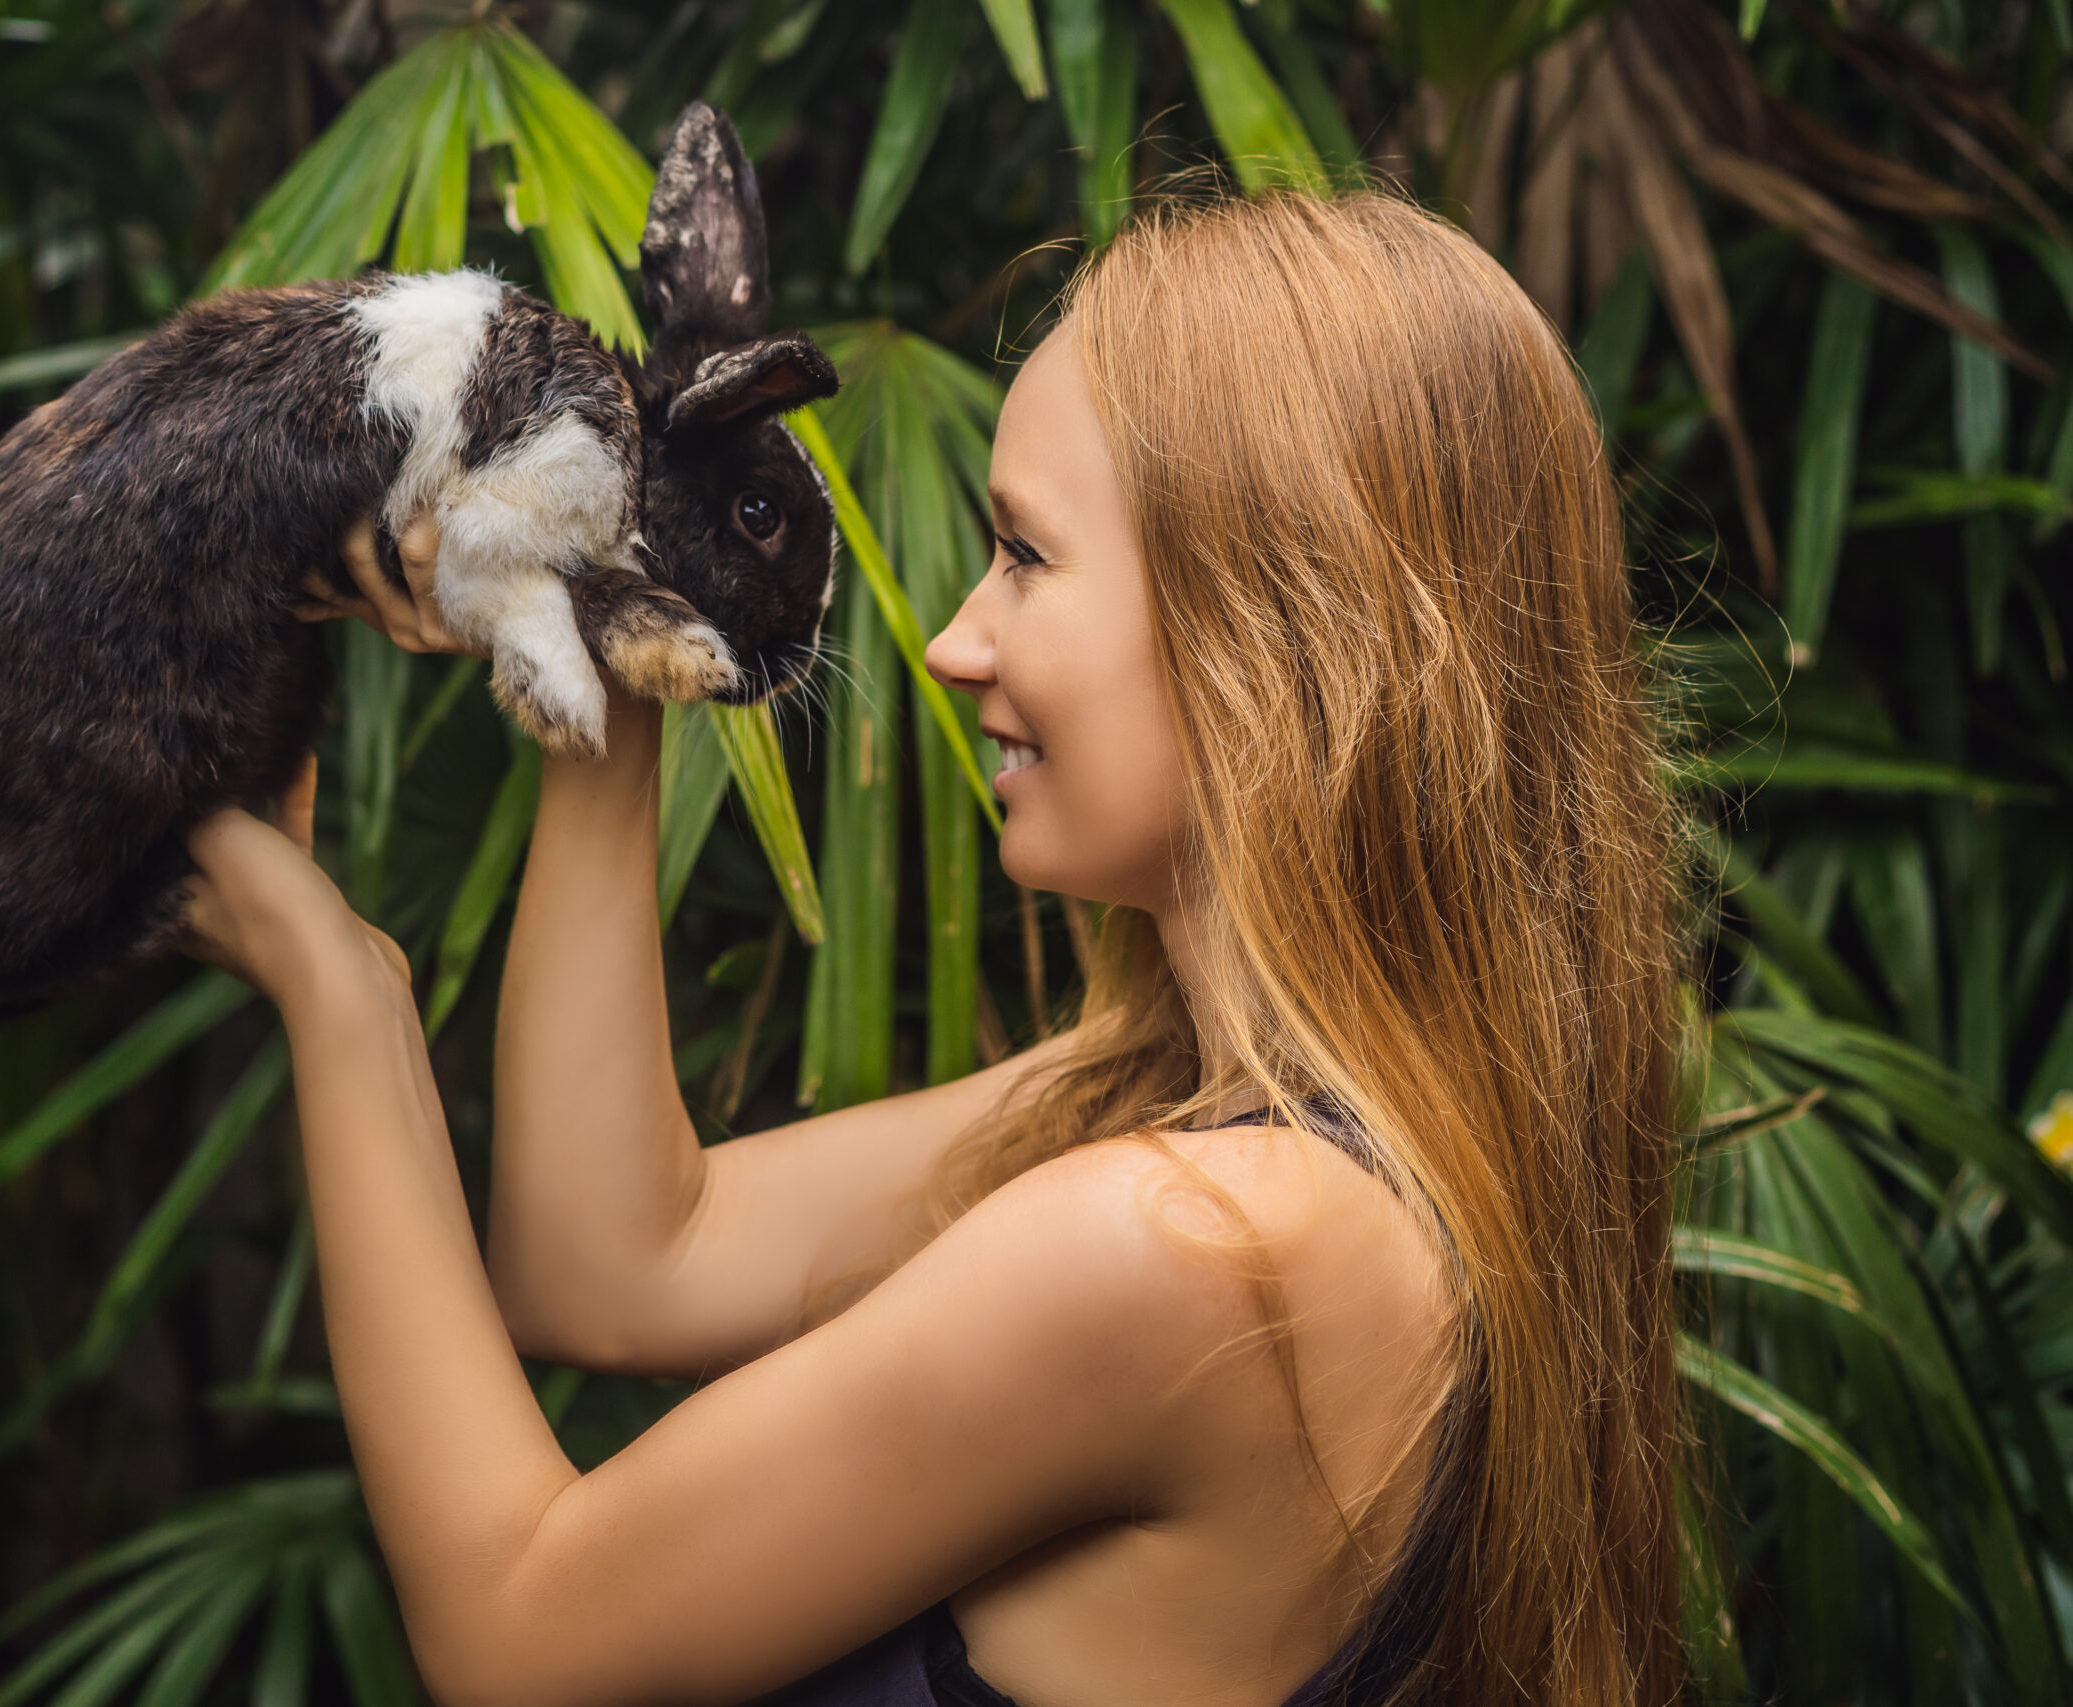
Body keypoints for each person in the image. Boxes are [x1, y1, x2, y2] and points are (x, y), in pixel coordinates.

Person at [177, 188, 1682, 1707]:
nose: (958, 642)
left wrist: (340, 987)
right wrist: (631, 620)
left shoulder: (1195, 1255)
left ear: (1279, 634)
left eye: (1026, 556)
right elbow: (612, 1265)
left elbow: (520, 1636)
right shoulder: (1259, 1137)